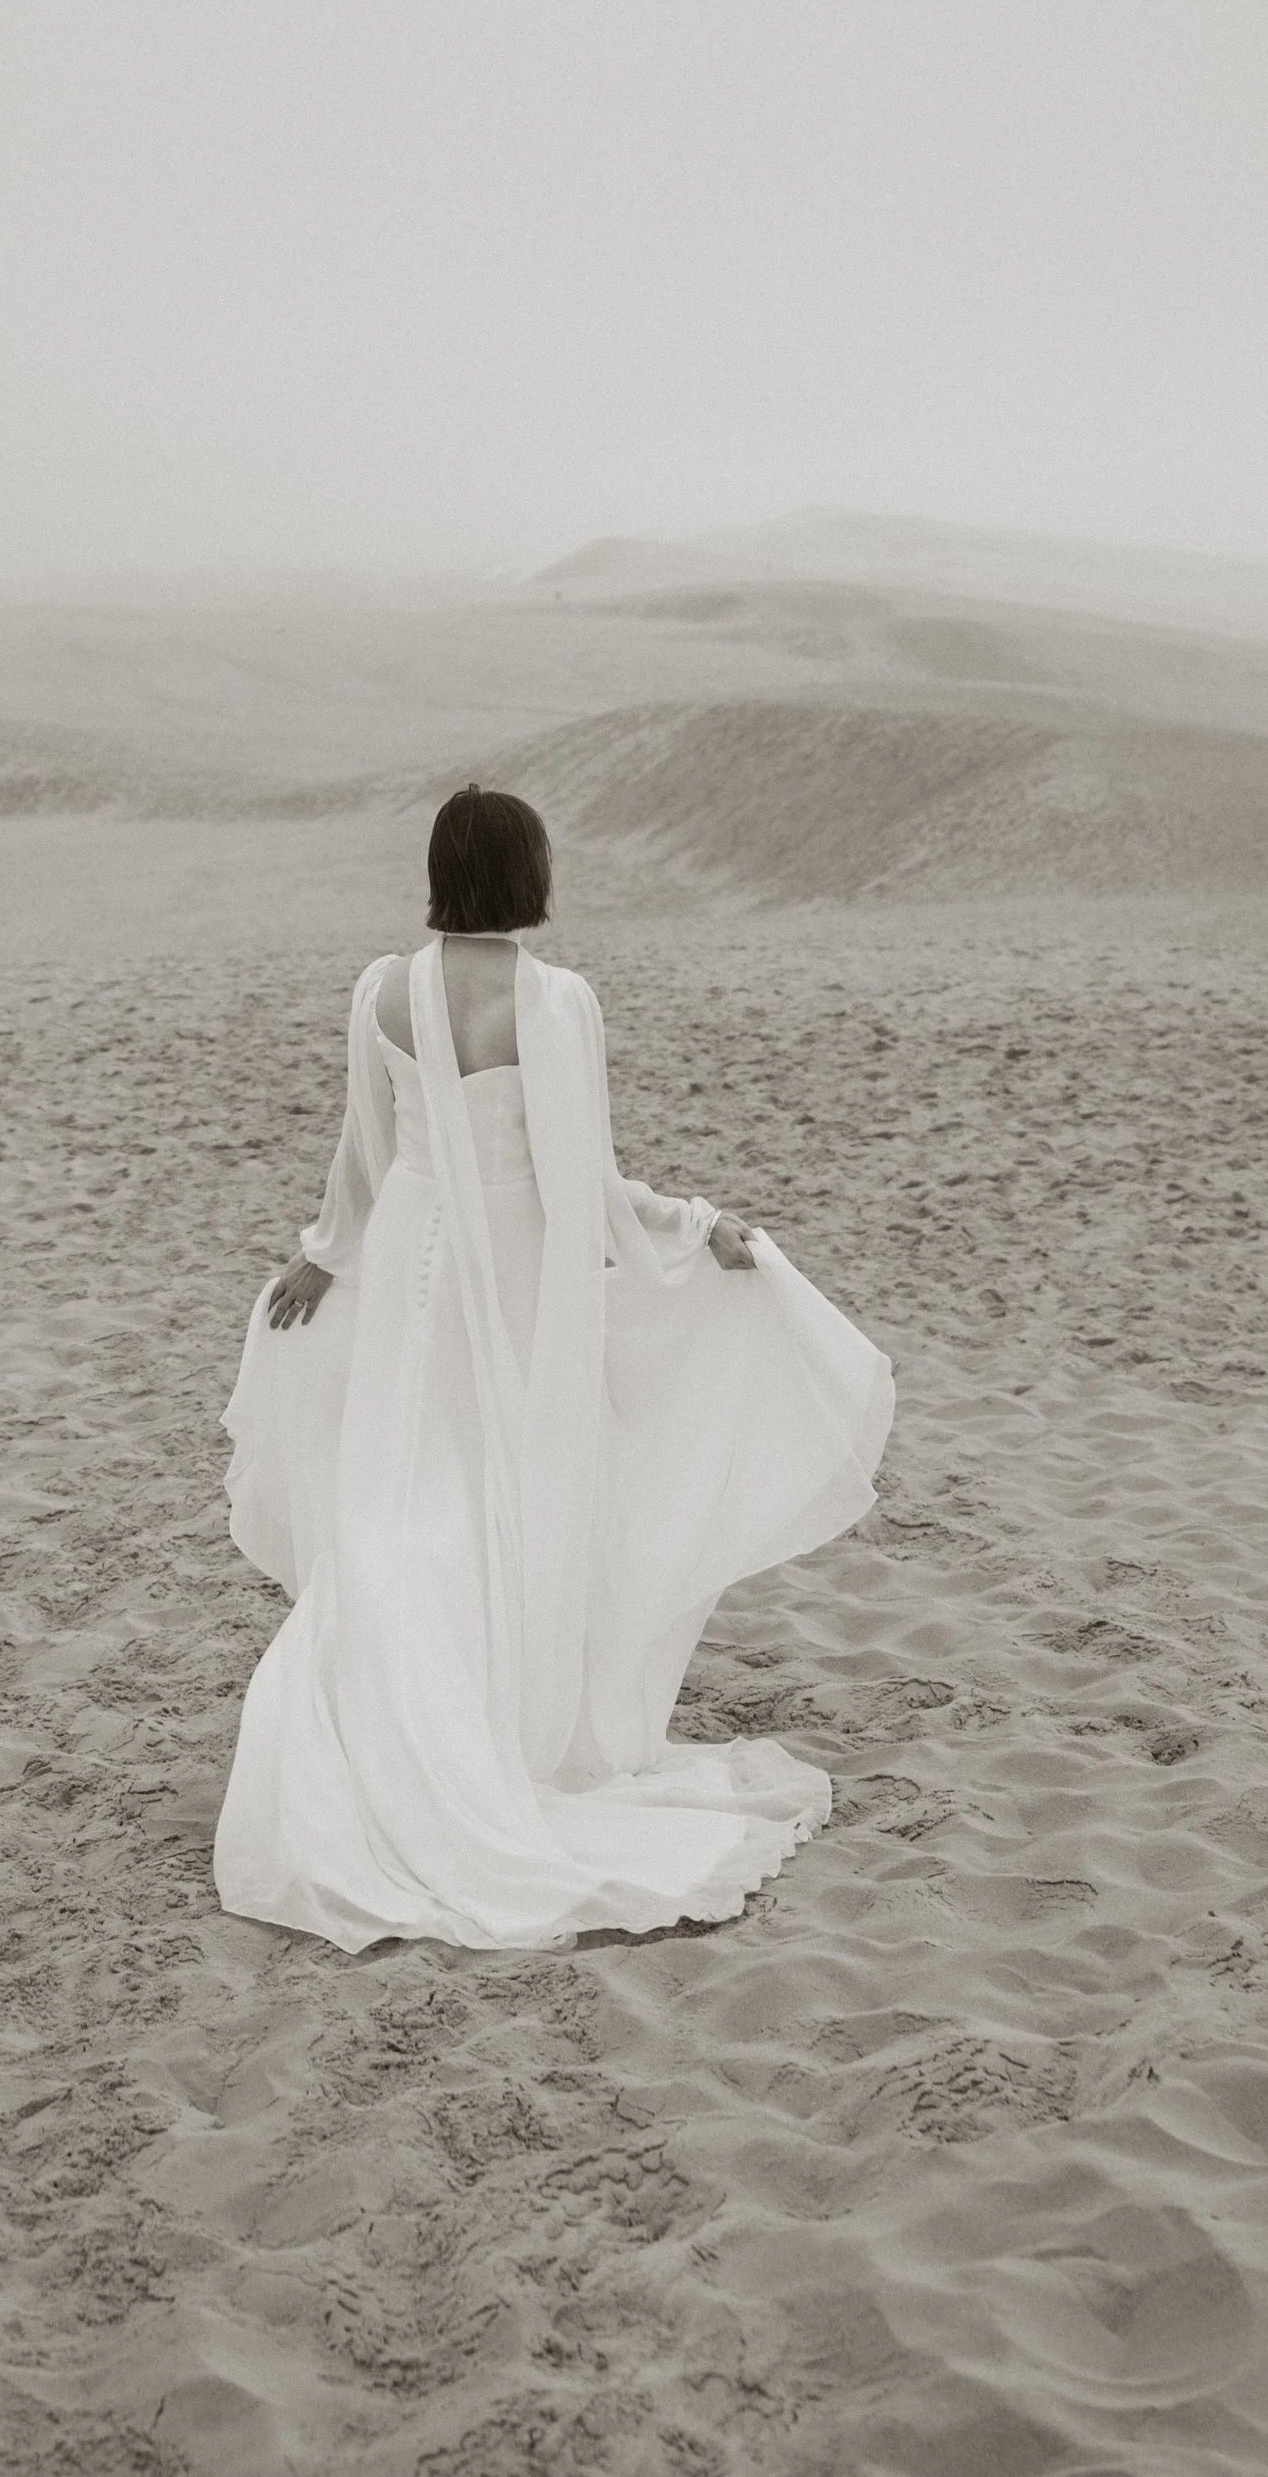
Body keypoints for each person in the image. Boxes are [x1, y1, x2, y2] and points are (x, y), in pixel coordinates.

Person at [213, 784, 894, 1950]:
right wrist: (688, 1226)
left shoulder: (380, 990)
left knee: (401, 1491)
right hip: (519, 1261)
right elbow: (581, 1175)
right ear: (527, 875)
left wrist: (326, 1256)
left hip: (415, 1256)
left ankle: (378, 1727)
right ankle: (487, 1742)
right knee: (496, 1493)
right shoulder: (556, 1000)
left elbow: (365, 1157)